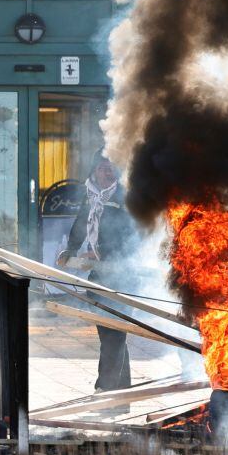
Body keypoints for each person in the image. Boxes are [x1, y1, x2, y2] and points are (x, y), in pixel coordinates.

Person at [57, 153, 140, 392]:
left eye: (111, 168)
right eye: (103, 168)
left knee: (114, 333)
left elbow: (132, 234)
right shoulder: (92, 195)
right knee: (111, 334)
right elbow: (82, 223)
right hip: (101, 275)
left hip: (123, 276)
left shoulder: (126, 196)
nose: (108, 172)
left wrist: (103, 253)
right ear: (94, 171)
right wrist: (71, 249)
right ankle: (121, 392)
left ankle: (105, 388)